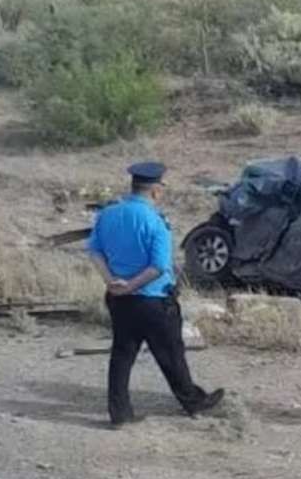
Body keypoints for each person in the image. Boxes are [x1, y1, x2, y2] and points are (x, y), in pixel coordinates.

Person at [87, 162, 224, 429]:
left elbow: (95, 251)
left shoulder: (108, 214)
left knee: (122, 354)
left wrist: (112, 281)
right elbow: (158, 266)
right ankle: (193, 402)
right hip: (153, 299)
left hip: (119, 299)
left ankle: (119, 413)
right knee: (171, 353)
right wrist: (132, 285)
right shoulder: (156, 221)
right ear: (155, 190)